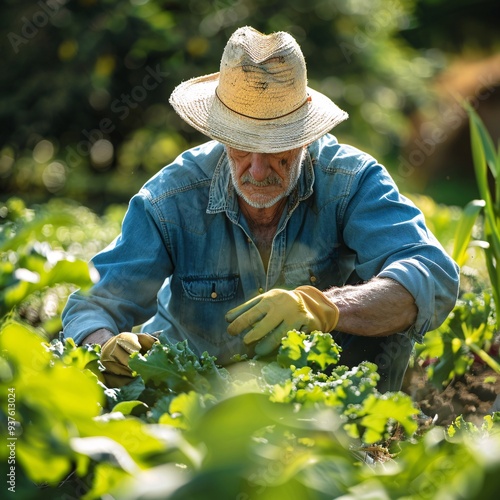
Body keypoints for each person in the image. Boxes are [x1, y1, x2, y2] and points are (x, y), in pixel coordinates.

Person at [62, 26, 460, 392]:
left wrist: (325, 307)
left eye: (275, 148)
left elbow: (433, 276)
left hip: (322, 415)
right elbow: (94, 304)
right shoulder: (171, 199)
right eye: (239, 145)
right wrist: (105, 345)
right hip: (194, 411)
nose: (256, 169)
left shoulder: (351, 182)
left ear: (305, 136)